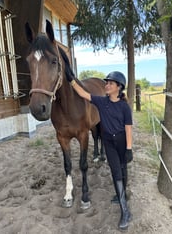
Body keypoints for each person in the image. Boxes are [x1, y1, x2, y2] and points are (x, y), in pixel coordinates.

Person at [65, 69, 133, 230]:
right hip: (108, 142)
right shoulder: (102, 102)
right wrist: (72, 80)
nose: (106, 85)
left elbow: (128, 128)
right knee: (116, 172)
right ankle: (125, 211)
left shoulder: (124, 107)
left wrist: (129, 148)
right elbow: (83, 94)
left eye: (110, 83)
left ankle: (121, 194)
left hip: (122, 141)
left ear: (118, 87)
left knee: (123, 169)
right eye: (107, 82)